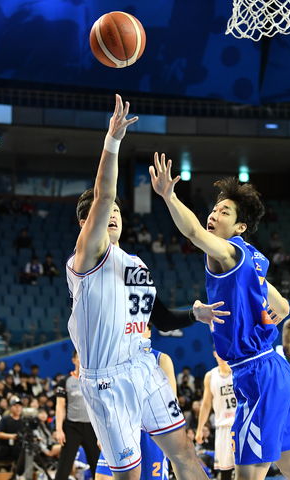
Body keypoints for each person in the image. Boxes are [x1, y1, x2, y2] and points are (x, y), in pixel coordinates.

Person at [66, 96, 217, 480]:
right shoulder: (85, 258)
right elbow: (103, 197)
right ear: (87, 224)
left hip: (143, 366)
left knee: (183, 450)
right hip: (106, 380)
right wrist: (112, 142)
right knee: (129, 476)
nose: (112, 213)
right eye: (104, 212)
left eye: (117, 211)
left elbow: (161, 317)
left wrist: (195, 314)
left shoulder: (135, 263)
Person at [149, 156, 290, 480]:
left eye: (224, 212)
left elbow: (193, 232)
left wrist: (169, 196)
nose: (214, 214)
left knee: (246, 476)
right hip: (275, 368)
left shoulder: (228, 253)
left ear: (240, 227)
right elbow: (282, 305)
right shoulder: (253, 258)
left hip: (255, 373)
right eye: (214, 209)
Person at [95, 323, 176, 480]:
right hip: (122, 429)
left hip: (151, 432)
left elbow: (172, 400)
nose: (137, 332)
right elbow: (109, 400)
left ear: (149, 333)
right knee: (103, 477)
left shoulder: (161, 359)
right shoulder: (117, 361)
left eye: (142, 328)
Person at [54, 350, 100, 480]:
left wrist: (102, 433)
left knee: (97, 464)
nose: (82, 360)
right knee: (65, 464)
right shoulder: (65, 381)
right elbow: (60, 406)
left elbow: (100, 407)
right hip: (72, 427)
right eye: (79, 357)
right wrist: (59, 429)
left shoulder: (94, 380)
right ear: (74, 360)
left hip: (92, 427)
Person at [196, 351, 235, 480]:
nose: (222, 355)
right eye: (219, 352)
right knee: (225, 472)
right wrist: (200, 428)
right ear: (214, 354)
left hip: (241, 425)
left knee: (248, 469)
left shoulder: (238, 370)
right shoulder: (211, 376)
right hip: (222, 428)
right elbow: (206, 404)